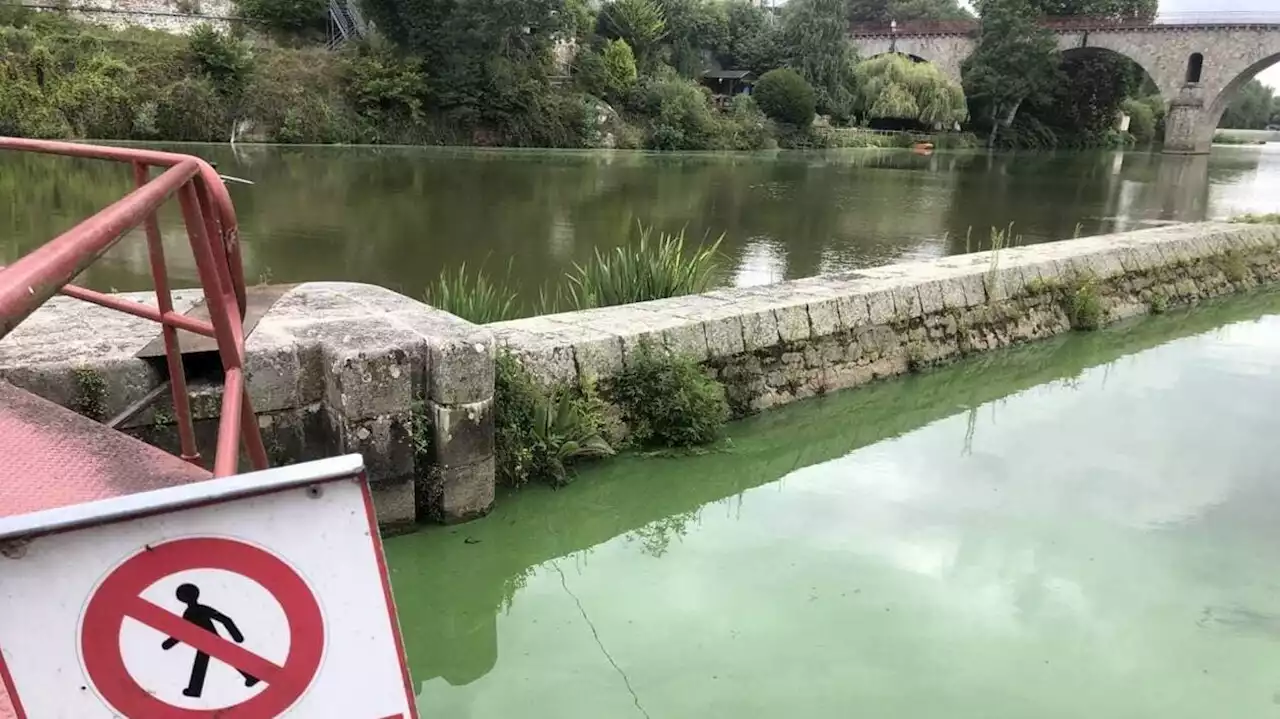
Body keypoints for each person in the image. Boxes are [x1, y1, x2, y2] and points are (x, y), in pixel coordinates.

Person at [160, 583, 260, 698]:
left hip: (209, 641)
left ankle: (195, 690)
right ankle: (251, 677)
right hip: (209, 641)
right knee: (209, 661)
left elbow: (183, 633)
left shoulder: (190, 613)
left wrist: (168, 644)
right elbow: (225, 620)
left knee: (204, 663)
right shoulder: (197, 610)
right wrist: (237, 637)